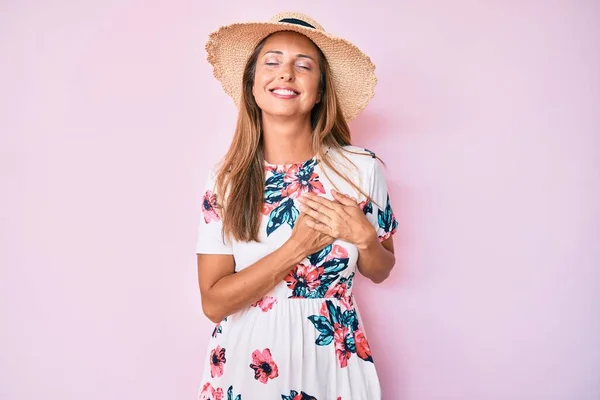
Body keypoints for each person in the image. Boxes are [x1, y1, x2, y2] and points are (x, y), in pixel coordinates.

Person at [195, 12, 398, 400]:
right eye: (271, 62)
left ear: (319, 90)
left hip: (333, 359)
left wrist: (367, 240)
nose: (285, 74)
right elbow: (213, 302)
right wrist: (297, 247)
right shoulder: (226, 179)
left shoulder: (361, 169)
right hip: (247, 364)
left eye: (303, 65)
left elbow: (382, 270)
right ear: (252, 84)